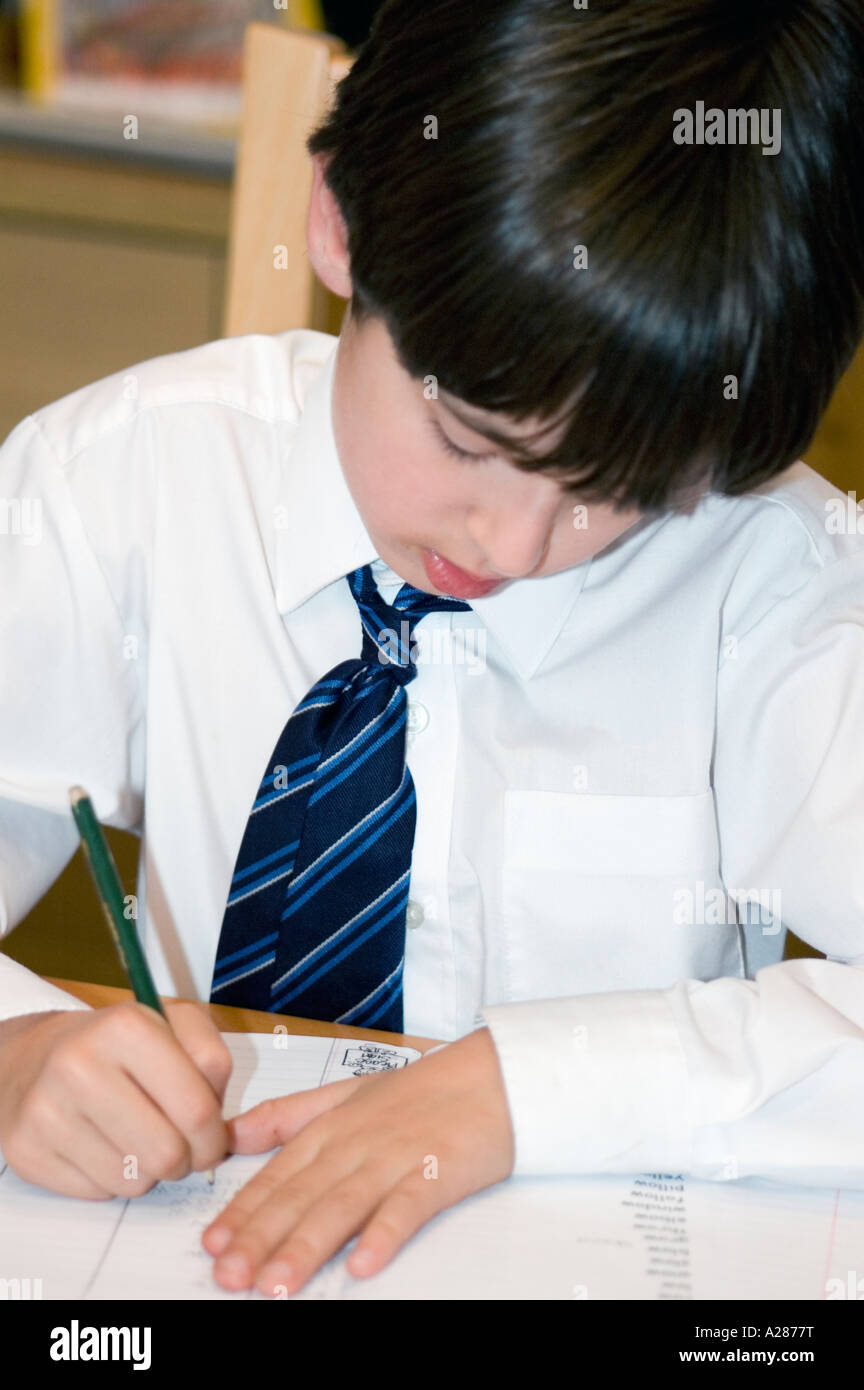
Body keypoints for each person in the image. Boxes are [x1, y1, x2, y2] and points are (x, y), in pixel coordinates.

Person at [0, 0, 863, 1299]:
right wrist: (13, 1050)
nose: (515, 545)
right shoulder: (117, 486)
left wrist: (525, 1089)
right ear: (341, 220)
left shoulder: (775, 572)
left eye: (623, 488)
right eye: (472, 439)